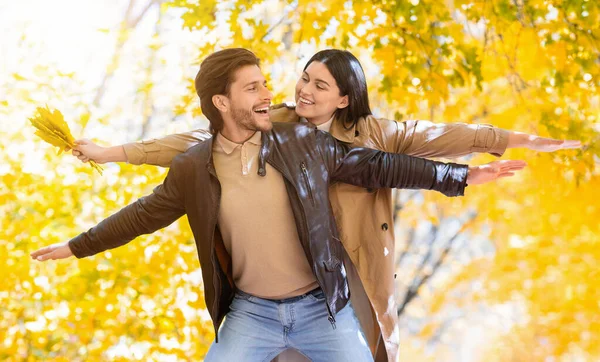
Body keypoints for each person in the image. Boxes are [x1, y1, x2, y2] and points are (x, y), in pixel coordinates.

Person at [68, 49, 580, 362]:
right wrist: (113, 154)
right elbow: (189, 144)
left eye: (320, 84)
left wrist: (506, 147)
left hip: (343, 283)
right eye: (303, 78)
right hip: (269, 295)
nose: (302, 89)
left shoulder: (371, 135)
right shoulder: (277, 124)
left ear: (343, 98)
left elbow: (434, 141)